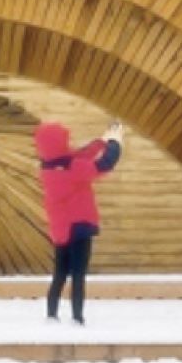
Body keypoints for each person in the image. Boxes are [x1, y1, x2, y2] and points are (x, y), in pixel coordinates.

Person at [34, 116, 121, 328]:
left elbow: (79, 155)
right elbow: (105, 164)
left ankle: (52, 314)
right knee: (79, 276)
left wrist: (101, 141)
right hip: (79, 227)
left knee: (60, 274)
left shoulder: (48, 167)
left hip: (61, 229)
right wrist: (115, 143)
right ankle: (77, 318)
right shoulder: (73, 169)